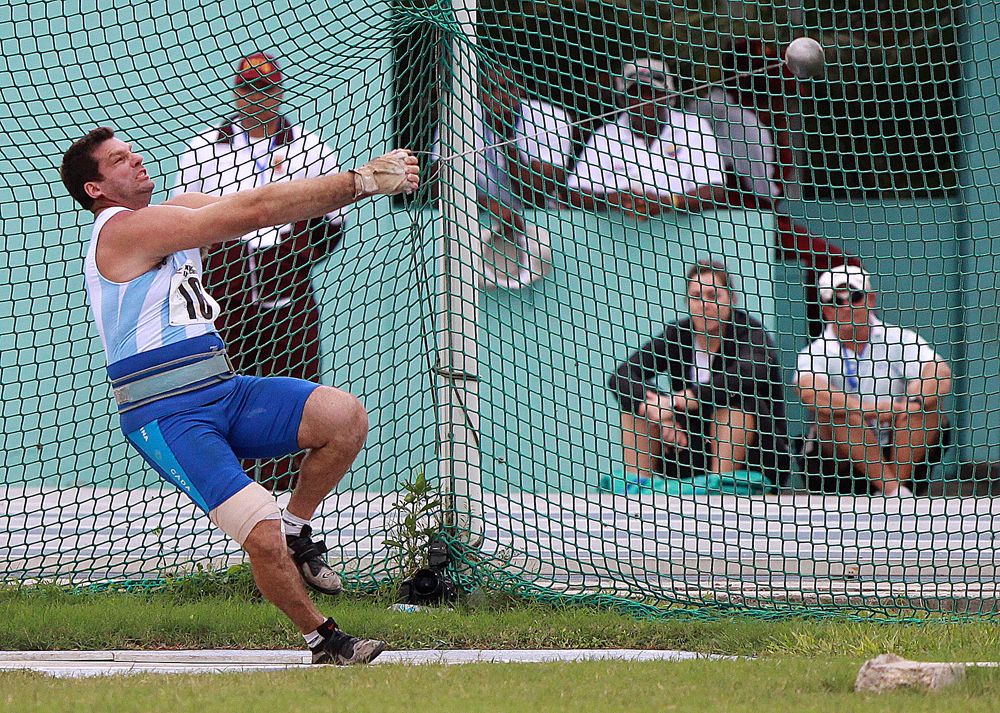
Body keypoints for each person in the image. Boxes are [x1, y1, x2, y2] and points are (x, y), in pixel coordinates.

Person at [60, 125, 419, 664]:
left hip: (222, 389)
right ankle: (324, 639)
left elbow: (260, 212)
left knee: (342, 417)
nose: (136, 160)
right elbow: (252, 212)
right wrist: (360, 181)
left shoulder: (175, 211)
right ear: (97, 189)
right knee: (259, 532)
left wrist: (330, 193)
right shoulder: (122, 230)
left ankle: (300, 527)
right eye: (118, 161)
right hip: (167, 414)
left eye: (134, 151)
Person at [173, 52, 345, 492]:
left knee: (295, 395)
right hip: (224, 298)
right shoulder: (204, 147)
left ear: (279, 91)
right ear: (236, 90)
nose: (257, 97)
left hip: (287, 294)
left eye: (265, 88)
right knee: (220, 395)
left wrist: (294, 251)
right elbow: (186, 223)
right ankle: (232, 497)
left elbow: (333, 220)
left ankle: (288, 504)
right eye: (249, 87)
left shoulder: (308, 146)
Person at [608, 259, 790, 485]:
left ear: (731, 300)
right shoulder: (678, 335)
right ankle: (636, 488)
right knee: (634, 406)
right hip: (688, 448)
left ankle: (721, 486)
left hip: (757, 456)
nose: (704, 304)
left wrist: (686, 399)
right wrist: (659, 412)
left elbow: (747, 374)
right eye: (696, 296)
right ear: (687, 301)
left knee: (736, 403)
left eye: (714, 296)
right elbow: (621, 375)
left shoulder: (751, 333)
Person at [794, 265, 953, 496]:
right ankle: (893, 490)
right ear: (827, 310)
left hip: (899, 448)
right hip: (839, 462)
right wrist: (869, 410)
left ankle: (893, 490)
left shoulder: (900, 338)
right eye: (837, 302)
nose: (847, 307)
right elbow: (810, 392)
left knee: (927, 409)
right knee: (836, 414)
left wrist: (911, 404)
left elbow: (939, 372)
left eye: (855, 297)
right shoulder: (815, 350)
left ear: (870, 299)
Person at [566, 58, 727, 220]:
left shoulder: (693, 127)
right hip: (618, 234)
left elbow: (715, 190)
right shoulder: (605, 135)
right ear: (623, 99)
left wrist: (668, 202)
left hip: (684, 236)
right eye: (635, 93)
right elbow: (574, 192)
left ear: (668, 96)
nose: (644, 100)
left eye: (652, 92)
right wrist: (607, 199)